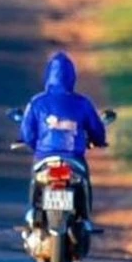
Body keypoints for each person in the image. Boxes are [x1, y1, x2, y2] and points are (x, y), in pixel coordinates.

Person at [18, 52, 107, 230]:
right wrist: (98, 140)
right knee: (83, 183)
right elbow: (96, 128)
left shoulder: (37, 102)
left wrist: (33, 144)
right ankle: (85, 218)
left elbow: (27, 132)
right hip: (74, 158)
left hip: (44, 157)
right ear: (72, 77)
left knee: (36, 181)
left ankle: (34, 212)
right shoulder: (82, 103)